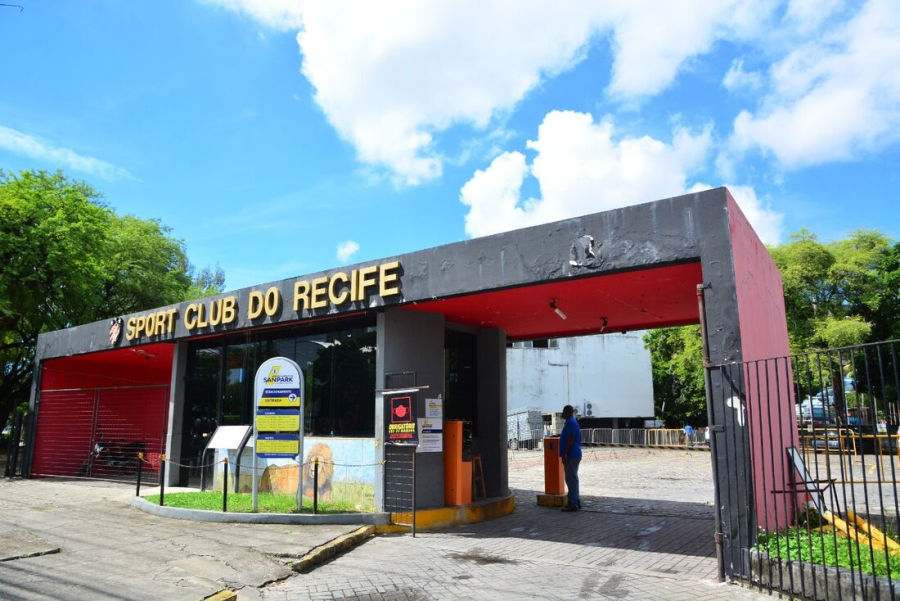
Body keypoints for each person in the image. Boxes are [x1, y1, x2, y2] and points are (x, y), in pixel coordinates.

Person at [559, 405, 582, 512]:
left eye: (564, 411)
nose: (562, 414)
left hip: (572, 454)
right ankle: (576, 501)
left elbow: (571, 439)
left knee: (570, 479)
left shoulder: (571, 422)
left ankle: (573, 504)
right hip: (574, 454)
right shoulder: (570, 422)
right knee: (573, 479)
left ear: (568, 412)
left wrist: (565, 454)